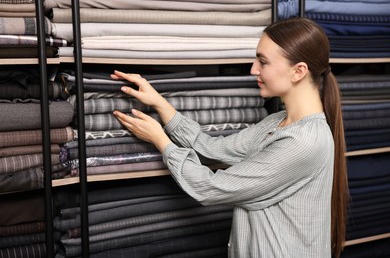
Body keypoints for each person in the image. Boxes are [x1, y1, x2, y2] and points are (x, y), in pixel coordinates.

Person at [111, 17, 349, 258]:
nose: (253, 69)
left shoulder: (303, 142)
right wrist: (161, 104)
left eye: (263, 62)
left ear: (298, 71)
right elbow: (212, 148)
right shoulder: (277, 121)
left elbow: (212, 188)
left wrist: (160, 140)